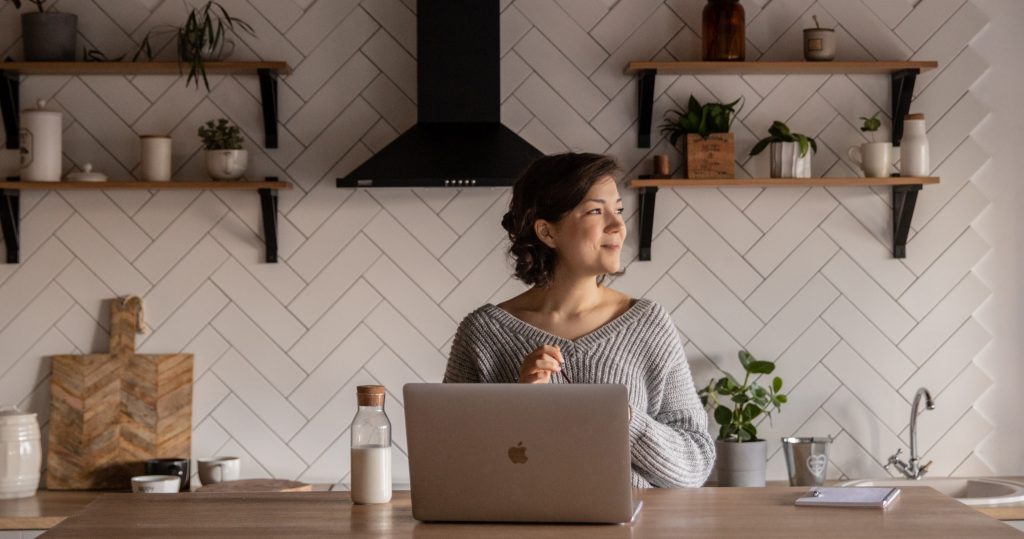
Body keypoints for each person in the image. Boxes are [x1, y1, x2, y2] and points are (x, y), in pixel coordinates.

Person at [443, 152, 715, 488]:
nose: (618, 225)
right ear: (547, 232)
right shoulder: (482, 333)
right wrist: (519, 406)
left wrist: (623, 418)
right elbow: (450, 466)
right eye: (596, 211)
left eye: (617, 209)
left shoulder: (648, 324)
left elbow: (696, 465)